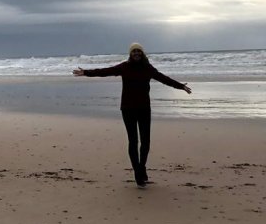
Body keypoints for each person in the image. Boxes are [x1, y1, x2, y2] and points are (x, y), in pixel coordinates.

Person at [73, 43, 192, 186]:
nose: (136, 53)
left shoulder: (148, 68)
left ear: (142, 54)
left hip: (144, 109)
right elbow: (106, 71)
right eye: (134, 51)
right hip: (128, 109)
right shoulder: (124, 67)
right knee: (133, 141)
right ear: (130, 54)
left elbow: (163, 78)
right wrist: (86, 72)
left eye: (139, 51)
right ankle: (138, 172)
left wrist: (180, 86)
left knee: (146, 142)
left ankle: (141, 167)